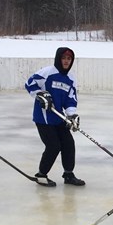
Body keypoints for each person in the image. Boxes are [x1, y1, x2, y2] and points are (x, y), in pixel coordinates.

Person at [25, 47, 85, 187]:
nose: (66, 61)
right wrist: (40, 94)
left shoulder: (71, 78)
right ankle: (41, 175)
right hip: (43, 118)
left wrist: (71, 115)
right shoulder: (47, 72)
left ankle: (68, 174)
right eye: (63, 58)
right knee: (53, 146)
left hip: (59, 118)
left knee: (69, 144)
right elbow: (30, 83)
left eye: (69, 59)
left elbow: (71, 99)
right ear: (58, 58)